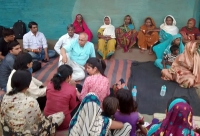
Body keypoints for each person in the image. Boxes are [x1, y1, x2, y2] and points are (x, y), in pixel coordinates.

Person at [0, 70, 64, 135]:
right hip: (27, 133)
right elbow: (41, 122)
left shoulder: (5, 97)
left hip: (9, 132)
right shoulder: (31, 102)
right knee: (60, 116)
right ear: (27, 86)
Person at [44, 65, 79, 130]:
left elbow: (47, 97)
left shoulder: (50, 84)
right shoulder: (72, 89)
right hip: (63, 122)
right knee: (79, 104)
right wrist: (74, 87)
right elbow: (72, 106)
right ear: (69, 76)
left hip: (47, 118)